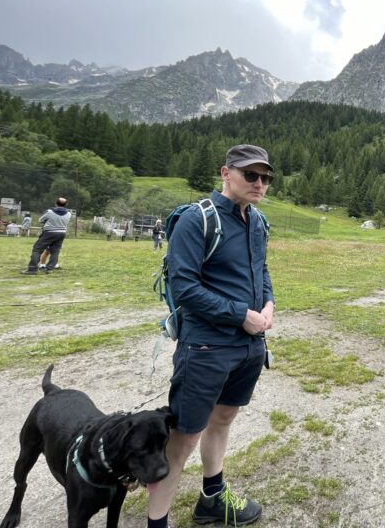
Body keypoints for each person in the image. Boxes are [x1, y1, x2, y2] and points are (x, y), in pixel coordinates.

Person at [147, 144, 275, 528]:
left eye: (265, 177)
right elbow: (185, 288)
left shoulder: (258, 221)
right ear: (226, 173)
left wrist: (268, 305)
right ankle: (157, 522)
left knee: (223, 419)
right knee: (184, 436)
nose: (259, 183)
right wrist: (241, 316)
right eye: (250, 175)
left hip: (249, 345)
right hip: (206, 347)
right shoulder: (196, 219)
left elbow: (261, 271)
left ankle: (212, 498)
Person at [22, 197, 71, 275]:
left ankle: (32, 269)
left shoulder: (50, 212)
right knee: (55, 251)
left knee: (37, 249)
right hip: (62, 233)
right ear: (66, 204)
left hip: (49, 232)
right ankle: (50, 269)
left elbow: (40, 220)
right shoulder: (69, 213)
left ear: (56, 203)